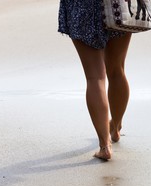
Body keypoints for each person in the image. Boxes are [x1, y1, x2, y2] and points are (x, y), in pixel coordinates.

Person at [58, 0, 132, 161]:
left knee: (95, 77)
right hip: (117, 5)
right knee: (117, 70)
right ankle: (115, 127)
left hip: (81, 6)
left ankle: (105, 145)